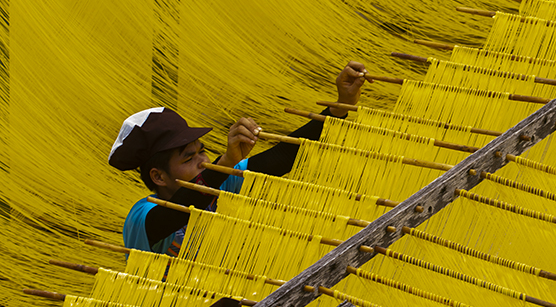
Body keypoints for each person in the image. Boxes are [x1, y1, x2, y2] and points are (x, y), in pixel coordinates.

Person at [108, 61, 370, 256]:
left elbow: (281, 157)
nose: (202, 161)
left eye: (202, 150)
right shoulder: (141, 217)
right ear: (158, 176)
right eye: (189, 158)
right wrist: (225, 163)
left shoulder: (221, 180)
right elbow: (182, 207)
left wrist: (338, 107)